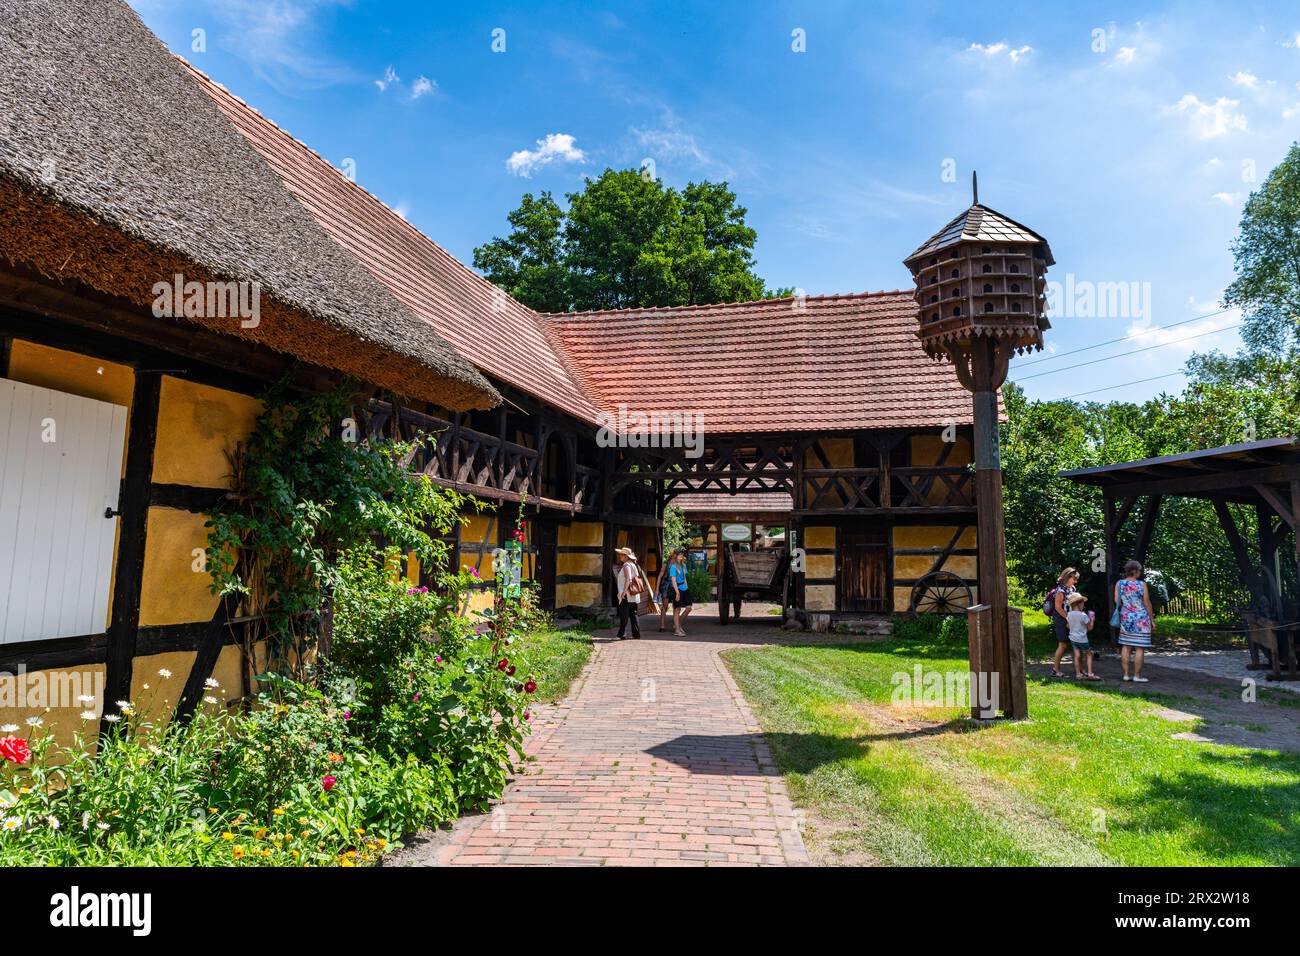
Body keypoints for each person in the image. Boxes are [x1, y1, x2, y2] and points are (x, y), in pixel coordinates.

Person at [1115, 559, 1155, 682]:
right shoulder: (1141, 584)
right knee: (1139, 648)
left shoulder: (1120, 583)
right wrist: (1152, 619)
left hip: (1126, 617)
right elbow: (1147, 603)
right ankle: (1137, 676)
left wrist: (1127, 606)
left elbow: (1117, 601)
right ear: (1136, 571)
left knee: (1126, 646)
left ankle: (1126, 674)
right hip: (1141, 618)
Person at [1049, 568, 1079, 678]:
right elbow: (1058, 607)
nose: (1076, 581)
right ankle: (1055, 670)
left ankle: (1079, 670)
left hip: (1069, 618)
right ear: (1068, 577)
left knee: (1073, 643)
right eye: (1074, 579)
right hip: (1061, 618)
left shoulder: (1072, 588)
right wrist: (1068, 618)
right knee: (1062, 644)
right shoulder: (1060, 590)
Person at [1066, 592, 1100, 681]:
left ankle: (1078, 674)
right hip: (1082, 639)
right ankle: (1090, 674)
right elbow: (1090, 628)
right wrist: (1092, 620)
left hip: (1073, 638)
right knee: (1089, 654)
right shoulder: (1083, 615)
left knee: (1077, 655)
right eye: (1082, 603)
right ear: (1079, 603)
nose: (1083, 605)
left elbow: (1068, 626)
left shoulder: (1069, 615)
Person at [613, 547, 642, 640]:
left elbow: (629, 579)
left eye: (621, 554)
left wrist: (623, 592)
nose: (620, 556)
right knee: (633, 614)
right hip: (634, 594)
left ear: (626, 556)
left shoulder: (626, 565)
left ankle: (621, 634)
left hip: (627, 594)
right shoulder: (633, 564)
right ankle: (636, 634)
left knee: (624, 615)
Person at [667, 549, 693, 637]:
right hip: (676, 589)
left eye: (682, 555)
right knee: (677, 609)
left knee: (689, 608)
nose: (681, 556)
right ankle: (677, 630)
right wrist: (677, 592)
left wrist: (687, 587)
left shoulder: (683, 565)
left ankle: (678, 625)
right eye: (679, 555)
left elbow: (684, 577)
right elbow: (673, 581)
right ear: (676, 556)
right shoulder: (673, 567)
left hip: (684, 588)